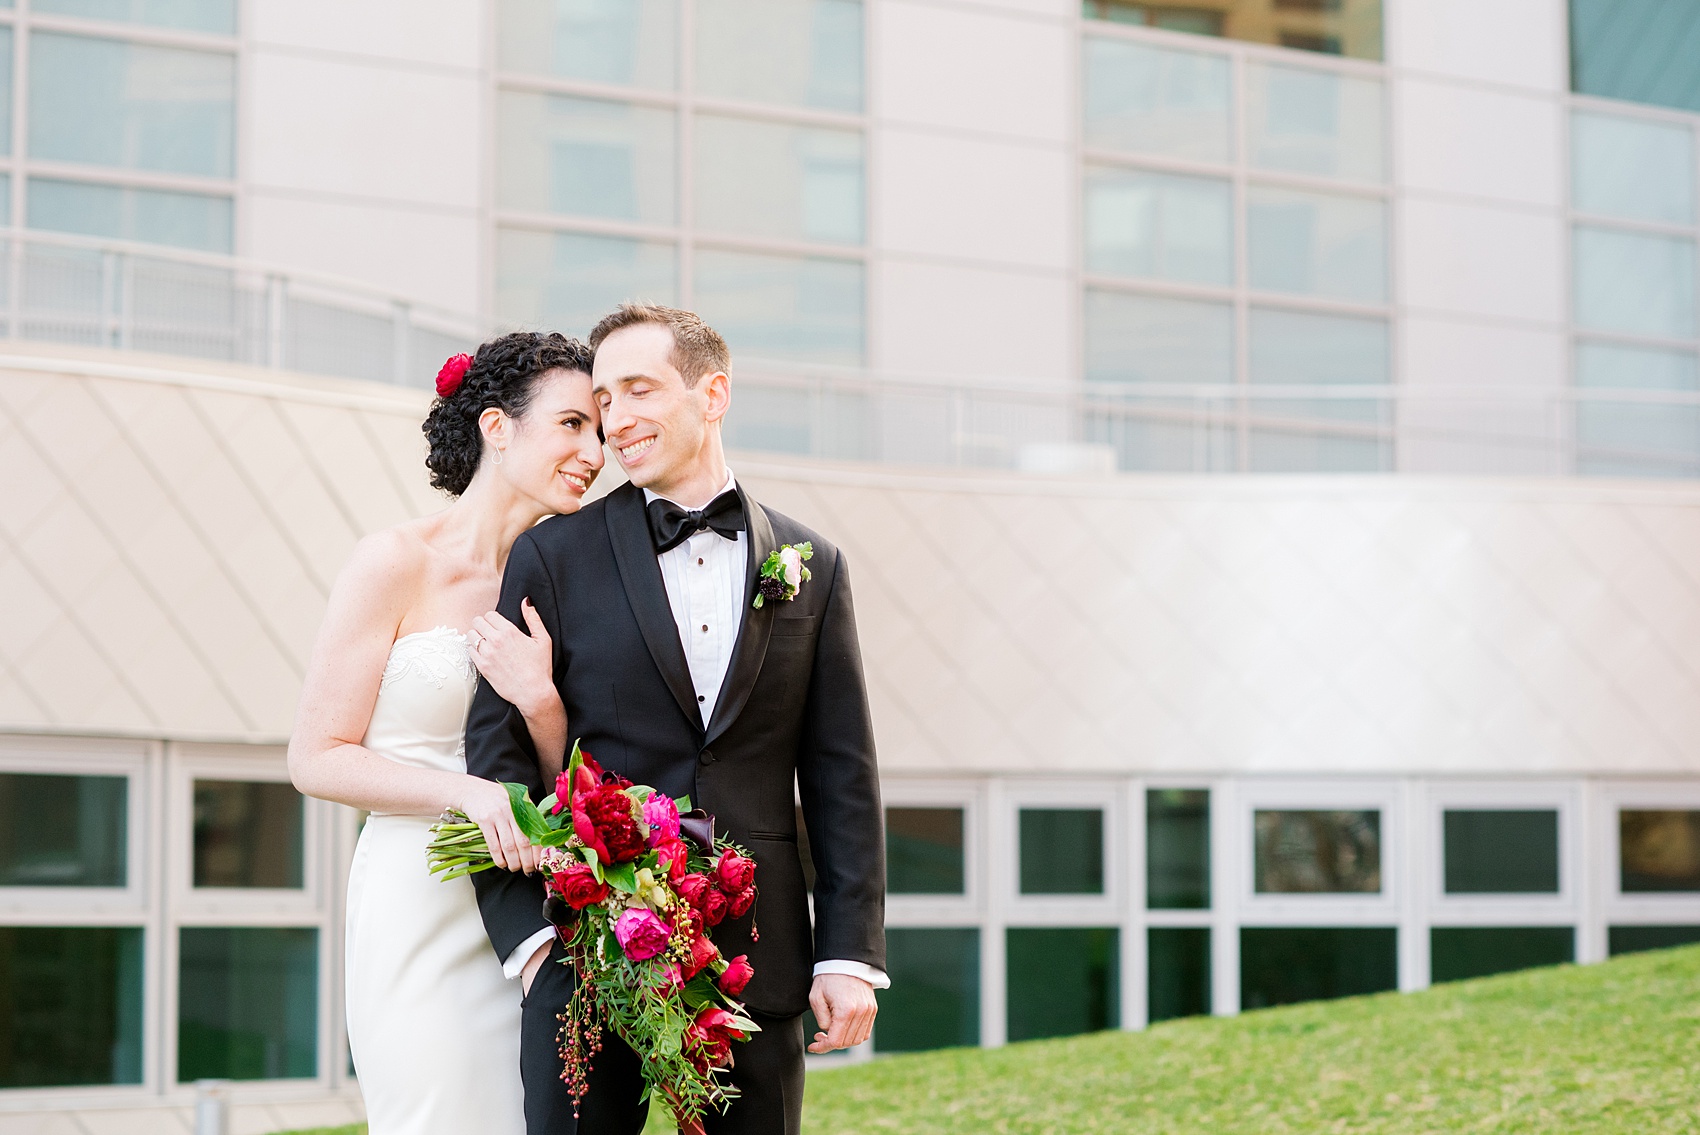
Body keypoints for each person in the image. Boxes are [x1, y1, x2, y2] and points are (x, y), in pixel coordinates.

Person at [466, 304, 888, 1135]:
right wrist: (530, 942)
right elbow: (497, 755)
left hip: (756, 958)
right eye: (602, 399)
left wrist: (848, 956)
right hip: (587, 951)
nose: (615, 422)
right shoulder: (552, 556)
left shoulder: (813, 566)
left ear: (713, 392)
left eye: (638, 391)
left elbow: (843, 776)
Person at [287, 332, 602, 1135]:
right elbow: (316, 757)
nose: (594, 451)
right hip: (417, 898)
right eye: (571, 424)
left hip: (531, 910)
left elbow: (568, 771)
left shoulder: (569, 578)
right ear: (498, 428)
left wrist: (541, 704)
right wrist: (466, 793)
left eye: (598, 429)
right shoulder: (393, 561)